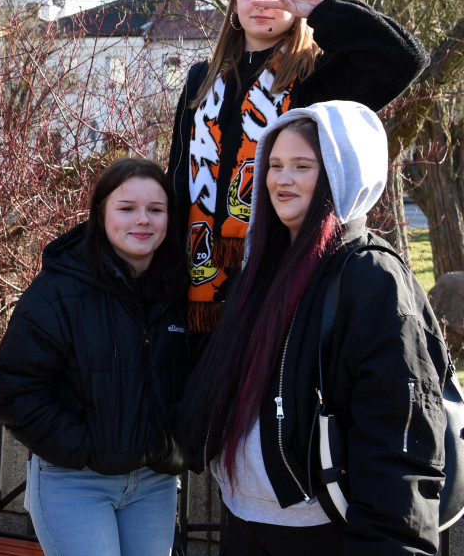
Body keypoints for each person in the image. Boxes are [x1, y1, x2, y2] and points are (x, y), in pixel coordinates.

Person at [178, 100, 447, 555]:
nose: (282, 180)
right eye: (275, 165)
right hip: (246, 520)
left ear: (343, 173)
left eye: (302, 166)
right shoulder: (260, 267)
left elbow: (397, 433)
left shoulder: (370, 278)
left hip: (321, 532)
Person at [167, 0, 429, 334]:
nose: (263, 4)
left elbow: (405, 58)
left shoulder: (318, 75)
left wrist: (323, 11)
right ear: (234, 4)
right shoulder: (201, 79)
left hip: (281, 279)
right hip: (198, 281)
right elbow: (177, 175)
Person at [0, 158, 189, 556]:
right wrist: (85, 448)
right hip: (74, 482)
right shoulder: (59, 289)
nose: (143, 220)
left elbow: (200, 381)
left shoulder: (183, 293)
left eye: (155, 209)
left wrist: (178, 443)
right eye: (127, 208)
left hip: (154, 482)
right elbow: (15, 389)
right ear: (101, 214)